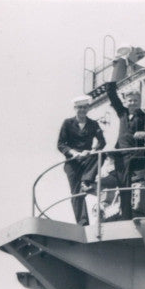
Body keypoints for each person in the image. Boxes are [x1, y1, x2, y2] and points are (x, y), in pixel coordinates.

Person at [105, 57, 145, 218]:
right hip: (122, 154)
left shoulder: (144, 116)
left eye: (136, 100)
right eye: (130, 100)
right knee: (123, 186)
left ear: (139, 102)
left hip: (136, 154)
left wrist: (144, 134)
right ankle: (126, 215)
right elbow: (111, 92)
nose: (133, 102)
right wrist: (119, 66)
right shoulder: (122, 113)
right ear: (126, 102)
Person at [57, 95, 106, 226]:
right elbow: (61, 144)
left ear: (88, 108)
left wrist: (92, 150)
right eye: (80, 107)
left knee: (102, 154)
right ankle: (83, 222)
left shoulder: (93, 124)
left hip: (87, 160)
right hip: (72, 163)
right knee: (76, 193)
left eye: (85, 107)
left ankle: (86, 181)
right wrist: (73, 153)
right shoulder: (67, 123)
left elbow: (102, 141)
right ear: (75, 108)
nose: (82, 110)